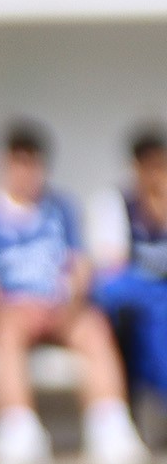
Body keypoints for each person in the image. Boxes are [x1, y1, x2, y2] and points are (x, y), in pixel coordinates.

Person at [0, 120, 151, 464]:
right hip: (12, 312)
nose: (26, 172)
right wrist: (14, 306)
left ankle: (111, 429)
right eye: (19, 163)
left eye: (33, 163)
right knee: (3, 329)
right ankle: (18, 431)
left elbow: (78, 266)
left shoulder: (60, 209)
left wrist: (69, 300)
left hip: (59, 308)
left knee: (94, 327)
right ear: (5, 165)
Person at [87, 126, 167, 404]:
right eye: (149, 166)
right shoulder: (116, 203)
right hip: (129, 292)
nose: (155, 175)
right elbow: (113, 265)